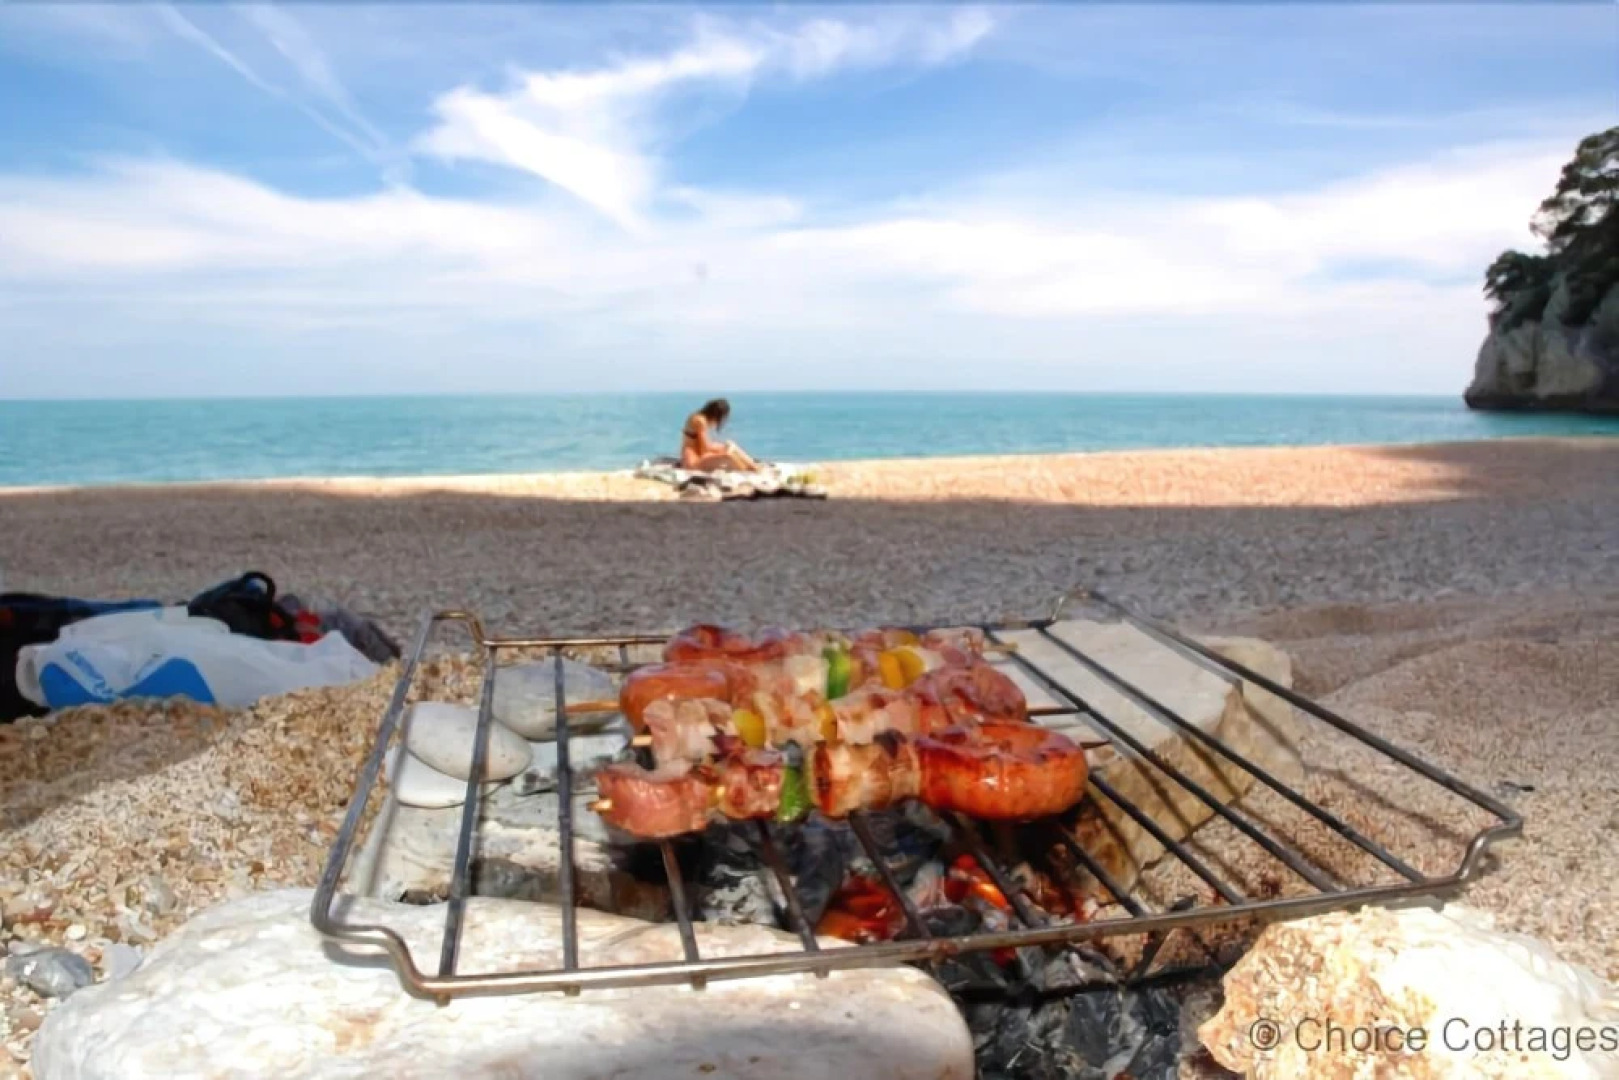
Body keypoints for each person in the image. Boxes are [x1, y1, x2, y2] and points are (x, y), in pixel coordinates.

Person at [680, 398, 760, 473]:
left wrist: (722, 448)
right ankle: (747, 470)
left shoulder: (698, 417)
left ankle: (752, 467)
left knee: (730, 445)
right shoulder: (700, 421)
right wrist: (721, 450)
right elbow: (704, 450)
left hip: (697, 456)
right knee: (728, 456)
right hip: (693, 462)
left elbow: (702, 447)